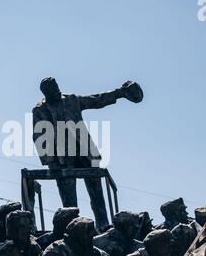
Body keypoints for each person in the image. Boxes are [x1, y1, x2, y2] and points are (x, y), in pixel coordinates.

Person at [32, 77, 143, 232]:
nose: (57, 90)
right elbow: (39, 136)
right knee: (69, 198)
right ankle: (74, 226)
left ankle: (103, 224)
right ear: (46, 93)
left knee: (96, 191)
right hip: (62, 158)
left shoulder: (71, 100)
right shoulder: (39, 110)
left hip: (85, 151)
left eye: (57, 87)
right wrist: (50, 161)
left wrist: (120, 93)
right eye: (52, 89)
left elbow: (96, 100)